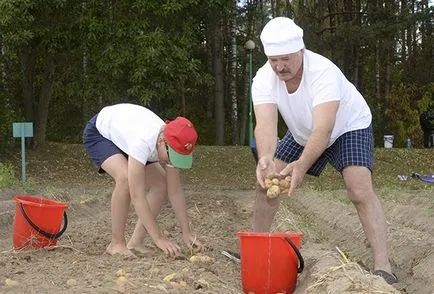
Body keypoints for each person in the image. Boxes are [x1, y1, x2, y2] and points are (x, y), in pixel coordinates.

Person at [251, 17, 397, 284]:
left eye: (285, 59)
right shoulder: (263, 78)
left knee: (359, 189)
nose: (279, 67)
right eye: (273, 60)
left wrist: (302, 165)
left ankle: (383, 265)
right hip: (302, 132)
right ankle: (254, 248)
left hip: (347, 127)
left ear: (301, 51)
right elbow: (265, 125)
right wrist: (266, 157)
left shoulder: (322, 73)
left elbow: (324, 130)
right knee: (266, 184)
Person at [83, 103, 203, 257]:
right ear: (162, 141)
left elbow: (175, 191)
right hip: (101, 134)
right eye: (172, 157)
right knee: (125, 178)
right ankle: (116, 244)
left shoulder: (171, 143)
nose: (172, 162)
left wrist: (187, 233)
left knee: (161, 185)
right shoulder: (143, 141)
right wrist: (158, 238)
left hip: (128, 136)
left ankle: (136, 243)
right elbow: (137, 196)